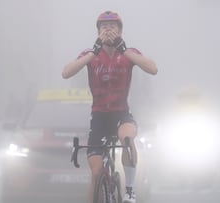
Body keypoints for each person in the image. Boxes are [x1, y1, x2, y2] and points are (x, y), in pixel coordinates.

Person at [62, 10, 157, 203]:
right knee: (96, 173)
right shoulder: (91, 54)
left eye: (113, 27)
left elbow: (153, 69)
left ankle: (129, 191)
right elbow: (66, 73)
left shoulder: (129, 53)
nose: (108, 30)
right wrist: (93, 52)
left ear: (120, 32)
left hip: (121, 114)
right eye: (104, 27)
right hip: (99, 117)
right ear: (97, 33)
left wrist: (125, 50)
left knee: (127, 139)